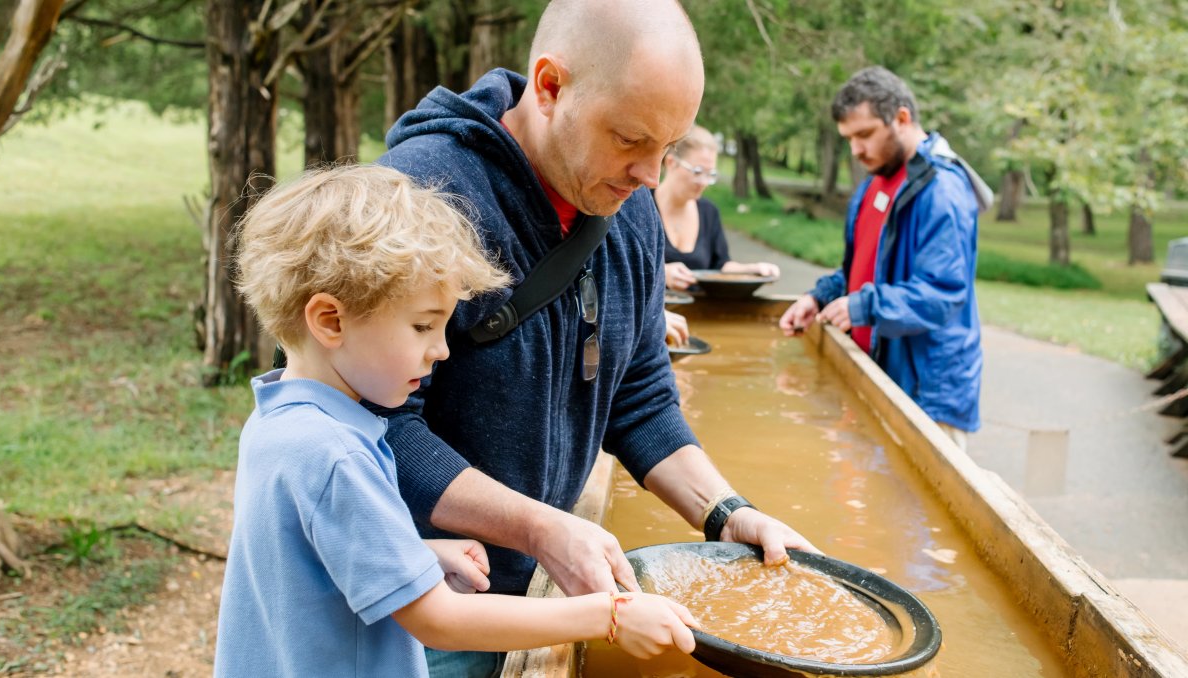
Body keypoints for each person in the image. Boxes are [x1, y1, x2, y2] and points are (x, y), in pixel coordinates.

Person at [374, 1, 817, 675]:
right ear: (550, 87)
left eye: (669, 149)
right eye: (631, 139)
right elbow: (372, 428)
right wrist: (542, 526)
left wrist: (727, 514)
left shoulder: (631, 209)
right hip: (422, 599)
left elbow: (638, 397)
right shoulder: (421, 195)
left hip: (542, 589)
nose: (651, 177)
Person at [213, 165, 699, 678]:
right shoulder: (337, 454)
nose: (441, 350)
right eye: (423, 326)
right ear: (331, 320)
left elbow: (300, 556)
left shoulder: (281, 420)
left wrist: (411, 554)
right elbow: (440, 621)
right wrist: (610, 615)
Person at [778, 66, 990, 448]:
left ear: (902, 118)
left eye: (864, 134)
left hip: (926, 396)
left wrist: (863, 307)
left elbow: (942, 294)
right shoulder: (872, 185)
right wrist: (818, 297)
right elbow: (860, 271)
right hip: (875, 375)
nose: (856, 150)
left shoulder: (942, 191)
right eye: (848, 139)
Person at [655, 125, 781, 291]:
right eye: (698, 171)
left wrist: (753, 269)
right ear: (671, 163)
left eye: (710, 174)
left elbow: (720, 266)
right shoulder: (640, 207)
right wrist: (661, 274)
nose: (704, 182)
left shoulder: (709, 212)